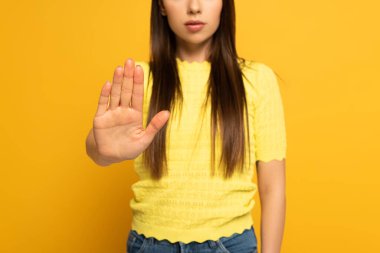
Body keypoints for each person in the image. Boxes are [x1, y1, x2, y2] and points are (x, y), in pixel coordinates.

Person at [85, 0, 287, 252]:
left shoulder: (257, 80)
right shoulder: (138, 79)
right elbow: (98, 149)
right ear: (160, 5)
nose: (194, 6)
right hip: (150, 245)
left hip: (231, 244)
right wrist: (101, 149)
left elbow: (273, 188)